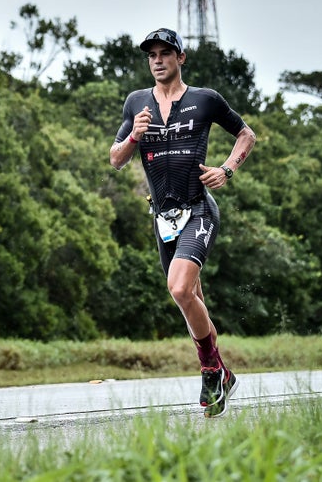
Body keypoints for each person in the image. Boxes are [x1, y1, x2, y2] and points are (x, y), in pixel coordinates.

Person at [109, 28, 256, 418]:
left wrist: (227, 169)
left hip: (199, 209)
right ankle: (222, 374)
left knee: (179, 289)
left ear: (180, 58)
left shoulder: (204, 100)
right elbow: (115, 158)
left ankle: (210, 371)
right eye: (151, 55)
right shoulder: (136, 103)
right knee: (193, 299)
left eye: (165, 53)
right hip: (163, 218)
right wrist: (133, 138)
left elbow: (246, 134)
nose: (157, 60)